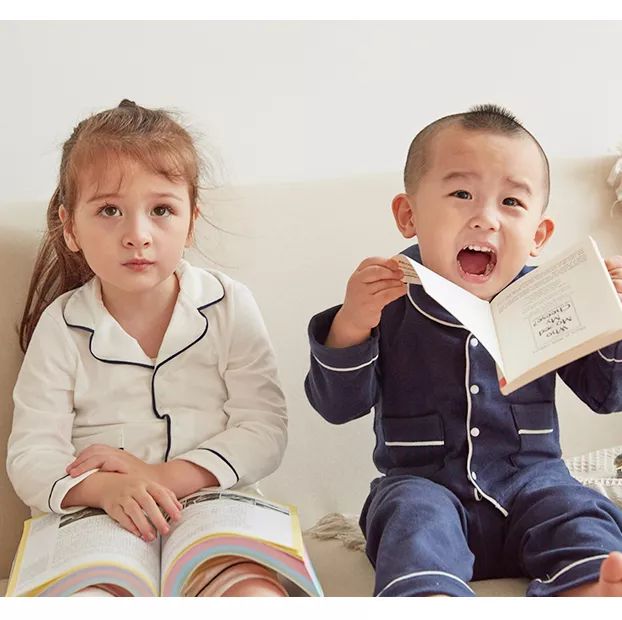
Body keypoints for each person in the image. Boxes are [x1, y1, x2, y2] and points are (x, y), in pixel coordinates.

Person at [304, 104, 622, 596]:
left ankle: (592, 589)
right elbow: (337, 406)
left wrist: (612, 321)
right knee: (411, 515)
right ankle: (429, 595)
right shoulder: (385, 298)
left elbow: (608, 395)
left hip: (534, 483)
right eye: (461, 194)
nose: (485, 218)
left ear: (538, 236)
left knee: (578, 511)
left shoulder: (552, 299)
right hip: (426, 485)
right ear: (408, 215)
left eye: (511, 202)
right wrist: (351, 324)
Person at [7, 100, 288, 597]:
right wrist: (105, 488)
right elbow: (32, 455)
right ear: (70, 227)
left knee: (252, 593)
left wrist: (163, 477)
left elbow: (264, 429)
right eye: (109, 211)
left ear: (191, 220)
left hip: (214, 506)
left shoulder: (229, 305)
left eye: (161, 210)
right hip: (97, 517)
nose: (137, 236)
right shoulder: (61, 327)